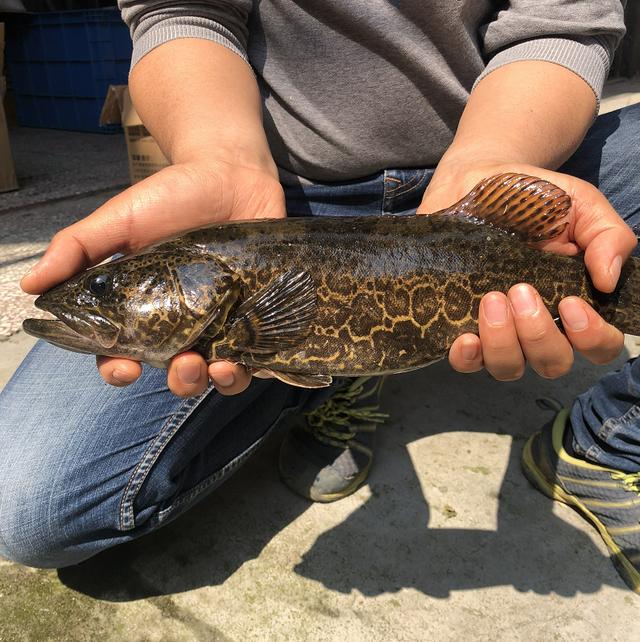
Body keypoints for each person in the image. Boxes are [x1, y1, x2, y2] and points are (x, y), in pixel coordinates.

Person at [0, 1, 638, 591]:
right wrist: (221, 156)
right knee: (25, 509)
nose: (98, 301)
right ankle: (339, 374)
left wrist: (498, 156)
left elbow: (560, 21)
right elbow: (182, 8)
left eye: (114, 290)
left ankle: (605, 435)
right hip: (283, 191)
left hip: (499, 157)